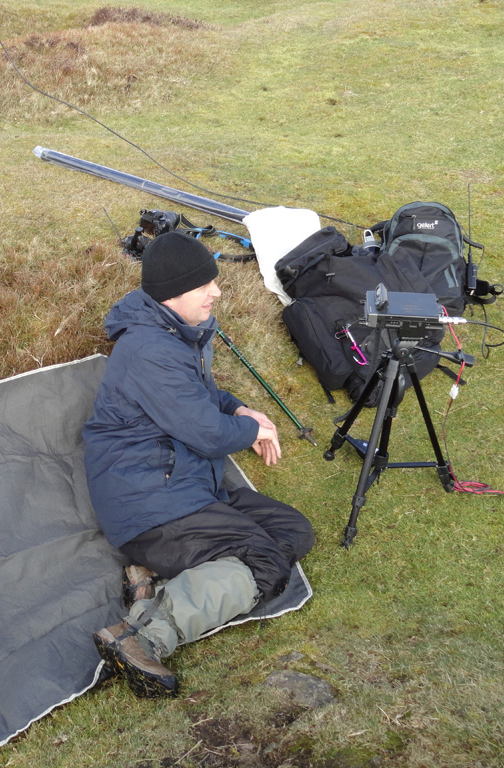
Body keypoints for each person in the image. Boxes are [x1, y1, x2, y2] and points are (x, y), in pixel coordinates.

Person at [83, 230, 315, 698]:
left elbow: (201, 398)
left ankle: (151, 582)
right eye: (205, 285)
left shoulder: (177, 332)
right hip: (151, 506)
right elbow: (207, 434)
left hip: (185, 487)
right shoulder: (150, 350)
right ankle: (143, 635)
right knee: (266, 560)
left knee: (293, 531)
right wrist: (250, 431)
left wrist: (239, 409)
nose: (217, 292)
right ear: (172, 294)